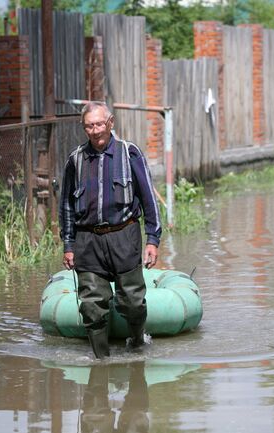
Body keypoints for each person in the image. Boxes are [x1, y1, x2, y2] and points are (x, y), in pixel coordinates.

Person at [59, 101, 162, 359]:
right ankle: (101, 361)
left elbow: (148, 197)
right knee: (92, 308)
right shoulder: (76, 160)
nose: (95, 131)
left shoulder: (130, 153)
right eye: (89, 126)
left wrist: (153, 239)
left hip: (124, 236)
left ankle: (137, 344)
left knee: (133, 302)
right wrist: (69, 245)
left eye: (99, 124)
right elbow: (67, 207)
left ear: (111, 123)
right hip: (88, 241)